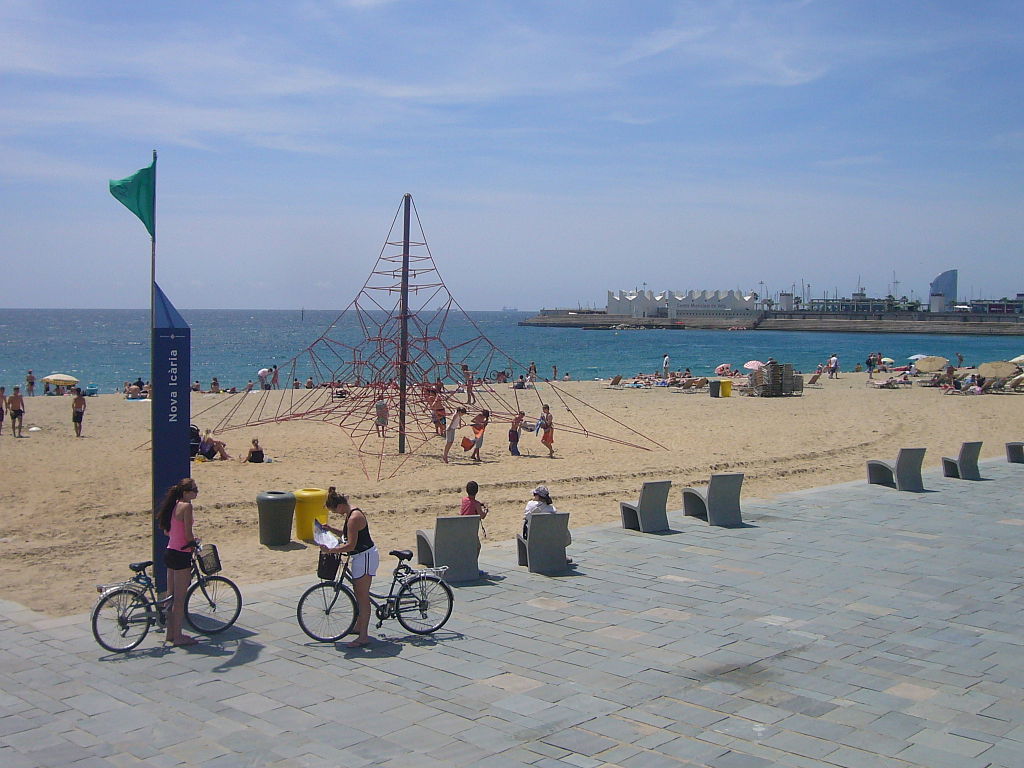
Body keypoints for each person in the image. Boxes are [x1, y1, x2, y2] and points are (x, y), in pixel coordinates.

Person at [319, 488, 377, 648]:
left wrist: (331, 550)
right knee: (359, 593)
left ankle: (363, 636)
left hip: (365, 557)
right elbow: (348, 536)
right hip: (361, 556)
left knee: (363, 597)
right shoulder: (350, 514)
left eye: (334, 511)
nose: (336, 514)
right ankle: (359, 626)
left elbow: (350, 544)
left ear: (339, 506)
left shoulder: (354, 518)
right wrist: (331, 530)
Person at [156, 478, 201, 647]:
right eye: (194, 490)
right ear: (186, 493)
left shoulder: (174, 505)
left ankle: (170, 633)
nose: (197, 492)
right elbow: (188, 534)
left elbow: (168, 531)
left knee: (170, 596)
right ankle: (179, 636)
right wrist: (194, 542)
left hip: (170, 551)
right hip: (182, 554)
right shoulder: (187, 507)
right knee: (180, 599)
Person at [521, 485, 571, 558]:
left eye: (534, 494)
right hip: (551, 538)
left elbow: (527, 518)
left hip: (534, 538)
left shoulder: (530, 505)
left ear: (537, 496)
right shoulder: (552, 509)